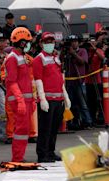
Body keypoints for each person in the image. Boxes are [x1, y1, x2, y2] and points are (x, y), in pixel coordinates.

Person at [33, 32, 71, 163]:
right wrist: (42, 98)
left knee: (54, 128)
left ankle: (50, 151)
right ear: (41, 44)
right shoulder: (39, 59)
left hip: (58, 99)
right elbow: (38, 79)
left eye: (51, 41)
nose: (50, 44)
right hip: (48, 100)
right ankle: (42, 154)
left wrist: (65, 96)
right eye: (47, 42)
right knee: (45, 128)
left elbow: (60, 78)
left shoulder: (56, 58)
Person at [4, 27, 34, 162]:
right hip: (18, 100)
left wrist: (32, 98)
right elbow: (11, 81)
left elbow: (27, 80)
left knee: (25, 129)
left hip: (25, 99)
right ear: (22, 43)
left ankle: (19, 156)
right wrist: (20, 100)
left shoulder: (23, 57)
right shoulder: (12, 58)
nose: (29, 44)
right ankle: (17, 157)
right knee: (20, 129)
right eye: (27, 41)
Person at [63, 35, 93, 130]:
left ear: (78, 42)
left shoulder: (82, 51)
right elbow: (61, 61)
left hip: (80, 81)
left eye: (75, 41)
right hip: (69, 81)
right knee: (69, 103)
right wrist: (65, 52)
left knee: (83, 103)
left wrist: (73, 54)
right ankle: (71, 122)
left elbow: (82, 62)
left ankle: (88, 122)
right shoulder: (67, 52)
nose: (74, 43)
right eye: (72, 41)